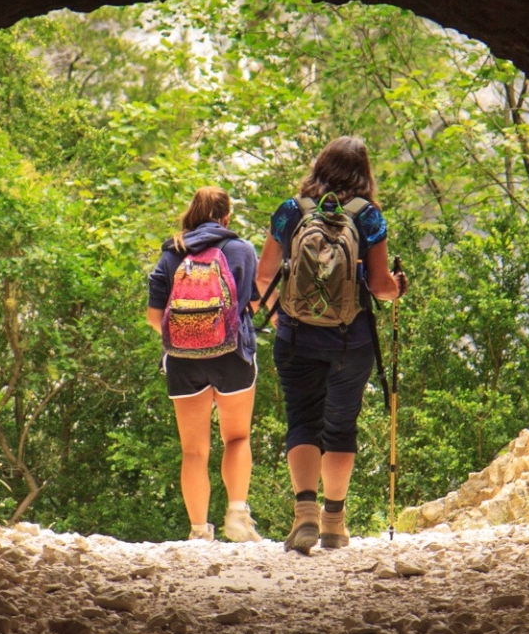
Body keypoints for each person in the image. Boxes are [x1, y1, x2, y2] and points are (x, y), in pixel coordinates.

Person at [256, 136, 407, 553]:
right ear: (365, 173)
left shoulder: (292, 211)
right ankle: (334, 523)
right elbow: (379, 288)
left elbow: (264, 275)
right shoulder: (367, 217)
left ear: (319, 166)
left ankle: (304, 514)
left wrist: (278, 318)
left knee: (303, 420)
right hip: (350, 339)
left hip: (295, 334)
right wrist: (397, 289)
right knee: (340, 425)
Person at [146, 186, 264, 542]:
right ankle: (238, 514)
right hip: (233, 358)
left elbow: (155, 318)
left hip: (183, 363)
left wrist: (189, 336)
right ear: (226, 217)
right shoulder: (241, 249)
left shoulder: (171, 254)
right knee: (237, 436)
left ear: (192, 215)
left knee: (194, 450)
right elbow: (253, 306)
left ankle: (199, 531)